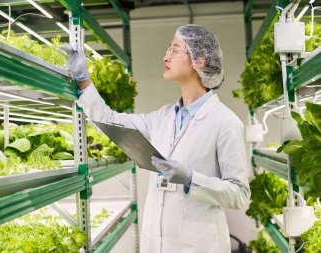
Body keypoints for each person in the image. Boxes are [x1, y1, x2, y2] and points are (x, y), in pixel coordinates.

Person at [61, 24, 251, 253]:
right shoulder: (162, 117)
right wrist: (83, 79)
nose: (166, 56)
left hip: (199, 245)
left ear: (199, 61)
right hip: (156, 244)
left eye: (174, 50)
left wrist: (192, 179)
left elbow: (240, 194)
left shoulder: (225, 122)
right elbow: (109, 120)